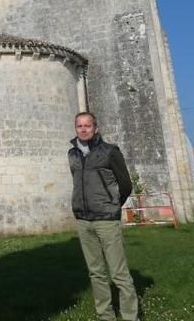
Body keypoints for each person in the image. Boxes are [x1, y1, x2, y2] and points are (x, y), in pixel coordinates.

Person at [68, 111, 139, 321]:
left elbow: (125, 184)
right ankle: (105, 316)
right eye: (79, 126)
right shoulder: (72, 154)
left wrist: (113, 205)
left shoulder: (110, 152)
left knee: (119, 274)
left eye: (87, 126)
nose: (83, 129)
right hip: (83, 220)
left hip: (106, 219)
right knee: (96, 273)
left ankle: (130, 317)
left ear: (95, 128)